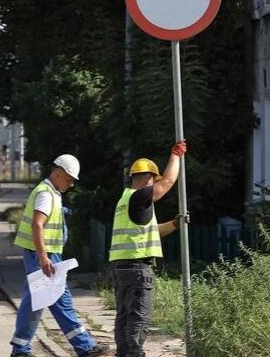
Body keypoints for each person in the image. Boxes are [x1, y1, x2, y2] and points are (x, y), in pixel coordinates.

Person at [10, 154, 110, 357]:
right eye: (69, 178)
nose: (71, 183)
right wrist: (44, 257)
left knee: (45, 300)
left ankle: (23, 349)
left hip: (44, 255)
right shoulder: (46, 194)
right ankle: (83, 347)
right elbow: (37, 224)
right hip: (42, 256)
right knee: (49, 300)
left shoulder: (52, 193)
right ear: (57, 173)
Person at [109, 141, 187, 357]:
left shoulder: (124, 201)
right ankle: (134, 354)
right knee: (138, 316)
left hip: (120, 267)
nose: (155, 184)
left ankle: (124, 353)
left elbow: (150, 232)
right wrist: (176, 155)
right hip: (136, 268)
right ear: (148, 178)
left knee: (124, 315)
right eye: (154, 180)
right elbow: (169, 181)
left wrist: (173, 224)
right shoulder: (139, 196)